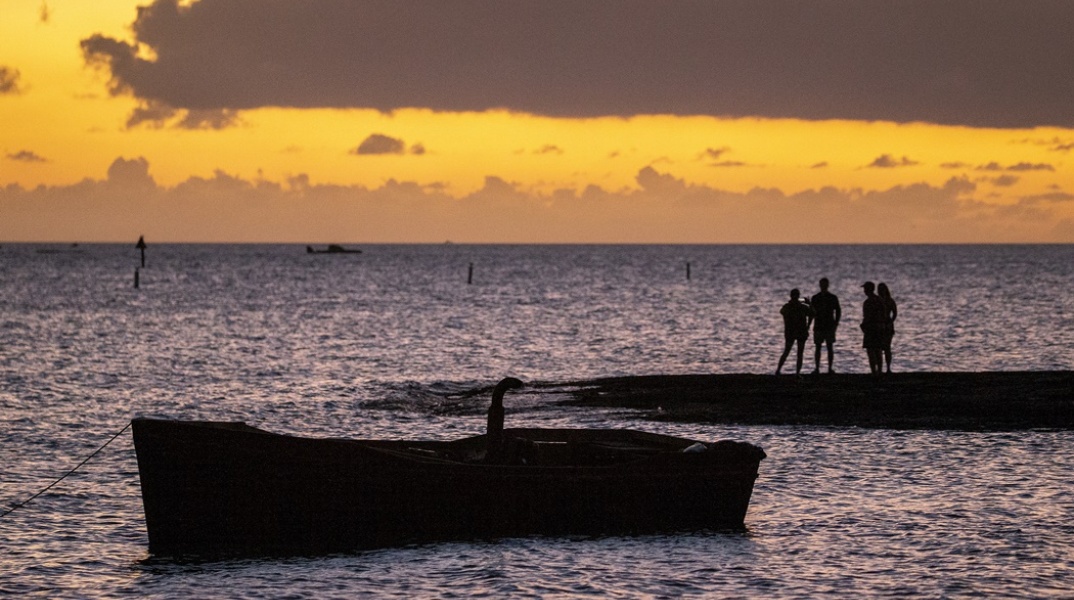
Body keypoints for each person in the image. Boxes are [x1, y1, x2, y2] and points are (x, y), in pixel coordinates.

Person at [776, 288, 815, 376]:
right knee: (797, 353)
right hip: (797, 331)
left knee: (789, 352)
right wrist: (809, 304)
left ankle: (779, 370)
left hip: (793, 332)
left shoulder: (788, 307)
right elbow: (813, 313)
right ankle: (796, 373)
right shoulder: (800, 307)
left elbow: (812, 314)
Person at [810, 277, 841, 374]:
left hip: (829, 325)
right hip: (819, 325)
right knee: (818, 347)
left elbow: (838, 311)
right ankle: (817, 368)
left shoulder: (832, 298)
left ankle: (830, 368)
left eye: (825, 284)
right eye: (822, 284)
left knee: (829, 347)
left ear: (827, 285)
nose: (823, 286)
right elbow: (811, 312)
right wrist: (810, 324)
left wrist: (835, 323)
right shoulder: (815, 298)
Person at [860, 281, 887, 374]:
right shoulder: (880, 300)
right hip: (879, 327)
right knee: (878, 349)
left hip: (870, 327)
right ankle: (879, 370)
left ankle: (874, 371)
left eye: (865, 289)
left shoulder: (867, 302)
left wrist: (863, 325)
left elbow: (866, 316)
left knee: (870, 350)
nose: (864, 291)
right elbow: (884, 314)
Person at [877, 282, 898, 373]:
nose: (881, 291)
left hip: (887, 325)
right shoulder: (878, 300)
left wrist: (891, 321)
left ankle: (888, 368)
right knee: (879, 348)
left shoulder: (889, 300)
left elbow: (895, 313)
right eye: (880, 290)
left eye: (882, 289)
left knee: (886, 347)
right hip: (879, 325)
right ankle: (881, 368)